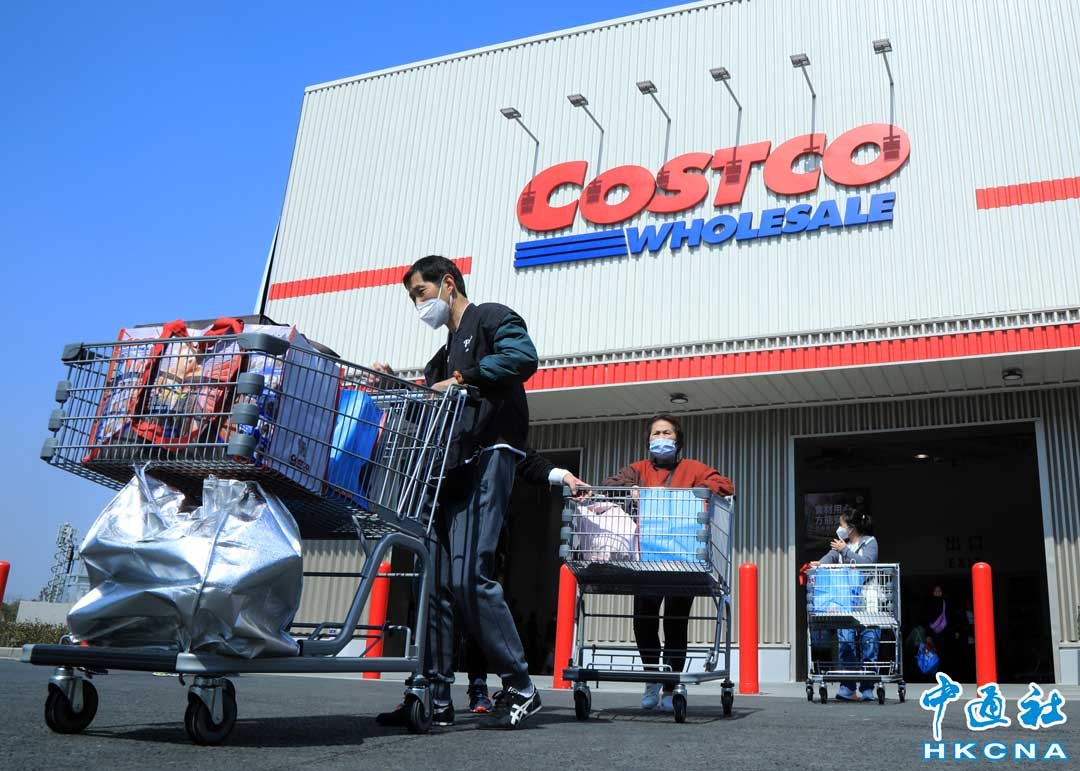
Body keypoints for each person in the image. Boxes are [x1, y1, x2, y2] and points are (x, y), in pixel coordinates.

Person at [371, 255, 543, 730]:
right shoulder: (441, 356)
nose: (418, 304)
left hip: (489, 454)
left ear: (448, 284)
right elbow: (429, 407)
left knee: (471, 577)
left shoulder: (490, 318)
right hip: (450, 467)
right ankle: (434, 694)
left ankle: (520, 685)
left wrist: (466, 378)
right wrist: (393, 386)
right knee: (437, 583)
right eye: (412, 298)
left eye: (421, 293)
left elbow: (523, 357)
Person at [601, 414, 734, 712]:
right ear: (648, 440)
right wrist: (630, 490)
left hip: (682, 558)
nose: (661, 437)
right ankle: (652, 677)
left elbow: (725, 485)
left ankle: (671, 685)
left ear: (678, 440)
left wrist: (695, 493)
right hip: (646, 558)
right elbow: (610, 484)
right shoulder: (639, 470)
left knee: (676, 622)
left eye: (667, 433)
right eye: (656, 433)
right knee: (644, 619)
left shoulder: (693, 469)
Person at [465, 448, 589, 713]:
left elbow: (525, 458)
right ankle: (432, 689)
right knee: (438, 599)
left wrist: (564, 475)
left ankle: (488, 685)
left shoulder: (495, 434)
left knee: (476, 601)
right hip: (442, 517)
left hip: (484, 530)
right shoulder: (449, 436)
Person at [812, 508, 879, 701]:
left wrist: (845, 550)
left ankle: (868, 688)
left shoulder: (870, 542)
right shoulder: (840, 546)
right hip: (845, 601)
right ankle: (848, 687)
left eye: (841, 525)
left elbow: (866, 563)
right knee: (846, 642)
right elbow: (828, 559)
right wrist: (818, 564)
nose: (839, 528)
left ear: (851, 527)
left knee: (869, 641)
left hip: (866, 600)